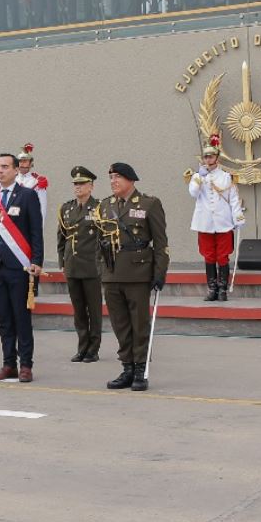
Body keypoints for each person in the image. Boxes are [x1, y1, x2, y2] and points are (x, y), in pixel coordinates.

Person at [100, 162, 169, 392]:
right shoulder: (105, 205)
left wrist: (159, 273)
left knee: (139, 324)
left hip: (138, 272)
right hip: (111, 272)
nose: (113, 181)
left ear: (131, 179)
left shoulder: (149, 204)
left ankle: (140, 369)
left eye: (118, 177)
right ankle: (127, 367)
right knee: (120, 324)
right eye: (110, 177)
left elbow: (161, 243)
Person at [0, 151, 43, 383]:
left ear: (16, 170)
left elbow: (36, 231)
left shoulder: (27, 196)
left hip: (19, 267)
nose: (0, 170)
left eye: (5, 166)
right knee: (4, 319)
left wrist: (37, 260)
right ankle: (8, 364)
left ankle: (25, 365)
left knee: (20, 317)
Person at [55, 166, 105, 363]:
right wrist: (62, 261)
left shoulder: (100, 207)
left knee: (93, 309)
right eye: (75, 184)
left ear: (91, 186)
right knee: (78, 310)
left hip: (92, 266)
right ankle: (82, 346)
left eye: (82, 184)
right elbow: (62, 237)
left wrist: (103, 263)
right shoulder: (66, 208)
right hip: (73, 265)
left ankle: (93, 348)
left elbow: (104, 238)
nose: (78, 187)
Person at [187, 136, 244, 302]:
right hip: (204, 222)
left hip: (223, 222)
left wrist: (238, 217)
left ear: (217, 158)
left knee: (223, 256)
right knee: (209, 256)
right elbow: (193, 193)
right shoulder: (197, 176)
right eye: (205, 156)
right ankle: (212, 289)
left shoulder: (226, 177)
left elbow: (233, 198)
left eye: (211, 156)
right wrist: (199, 177)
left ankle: (222, 290)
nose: (208, 159)